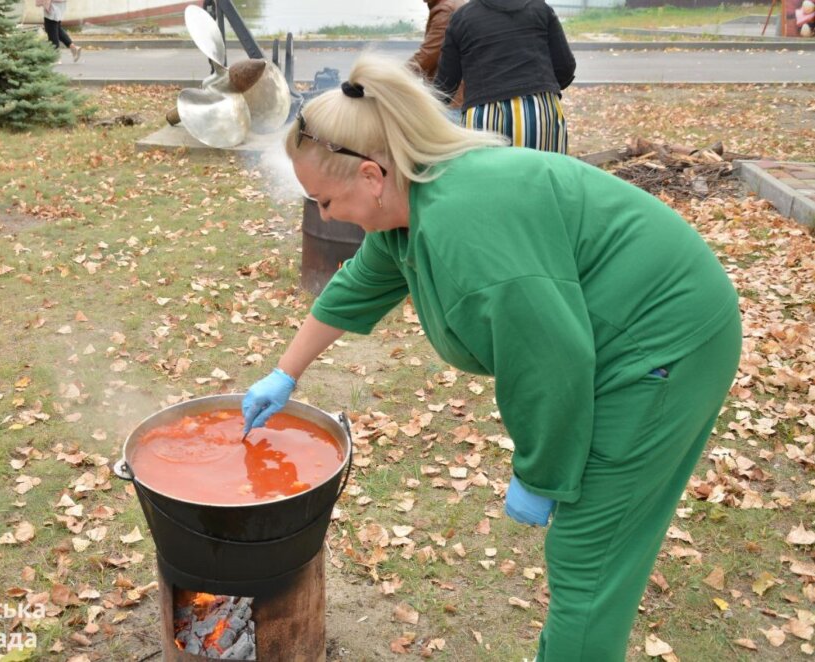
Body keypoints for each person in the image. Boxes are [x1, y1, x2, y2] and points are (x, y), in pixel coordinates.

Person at [241, 53, 741, 661]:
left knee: (590, 555)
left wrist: (542, 474)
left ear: (371, 176)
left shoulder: (464, 230)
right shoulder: (410, 200)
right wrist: (283, 373)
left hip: (664, 341)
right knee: (585, 551)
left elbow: (550, 364)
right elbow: (352, 288)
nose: (323, 215)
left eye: (324, 200)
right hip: (613, 327)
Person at [434, 0, 576, 153]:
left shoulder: (461, 17)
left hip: (483, 117)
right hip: (538, 113)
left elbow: (445, 86)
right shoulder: (540, 8)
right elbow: (565, 68)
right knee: (543, 172)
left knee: (490, 176)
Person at [407, 0, 466, 111]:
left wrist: (392, 77)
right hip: (456, 92)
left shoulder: (445, 9)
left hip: (450, 97)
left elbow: (427, 56)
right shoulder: (452, 4)